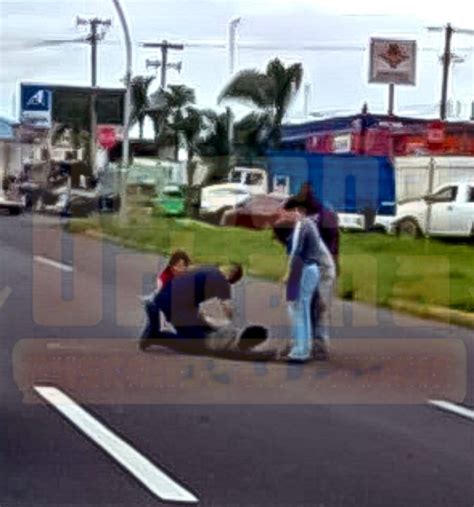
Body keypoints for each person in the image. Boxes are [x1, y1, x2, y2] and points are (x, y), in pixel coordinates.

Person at [139, 263, 268, 355]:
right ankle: (156, 336)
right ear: (231, 275)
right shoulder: (222, 281)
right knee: (196, 345)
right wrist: (235, 326)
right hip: (177, 306)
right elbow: (228, 311)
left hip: (167, 297)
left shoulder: (205, 267)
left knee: (202, 326)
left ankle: (153, 311)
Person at [275, 199, 336, 362]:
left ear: (295, 210)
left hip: (314, 268)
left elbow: (297, 252)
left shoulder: (302, 225)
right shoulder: (305, 225)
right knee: (301, 308)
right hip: (310, 268)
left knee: (304, 309)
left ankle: (306, 349)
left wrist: (288, 275)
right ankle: (302, 346)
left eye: (284, 212)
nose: (282, 215)